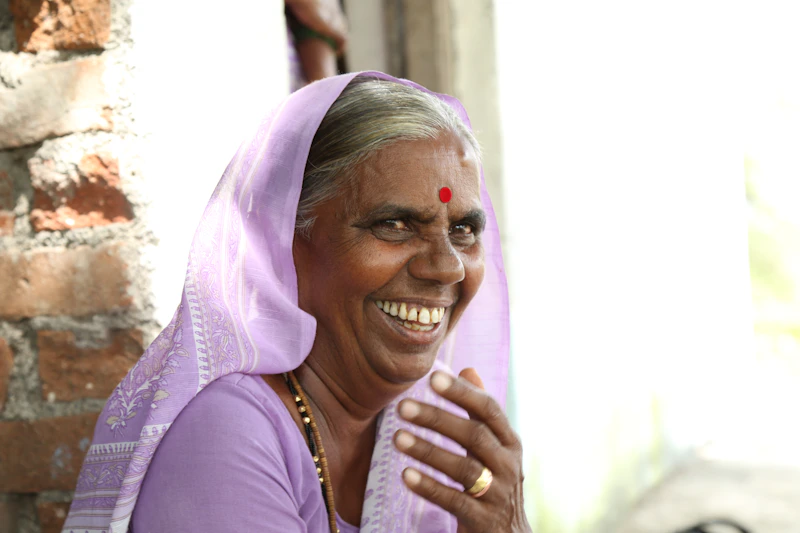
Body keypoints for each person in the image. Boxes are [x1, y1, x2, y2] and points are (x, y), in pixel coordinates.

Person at [61, 72, 527, 533]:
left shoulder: (440, 442)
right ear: (283, 240)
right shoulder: (224, 430)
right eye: (394, 224)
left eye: (463, 230)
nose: (448, 268)